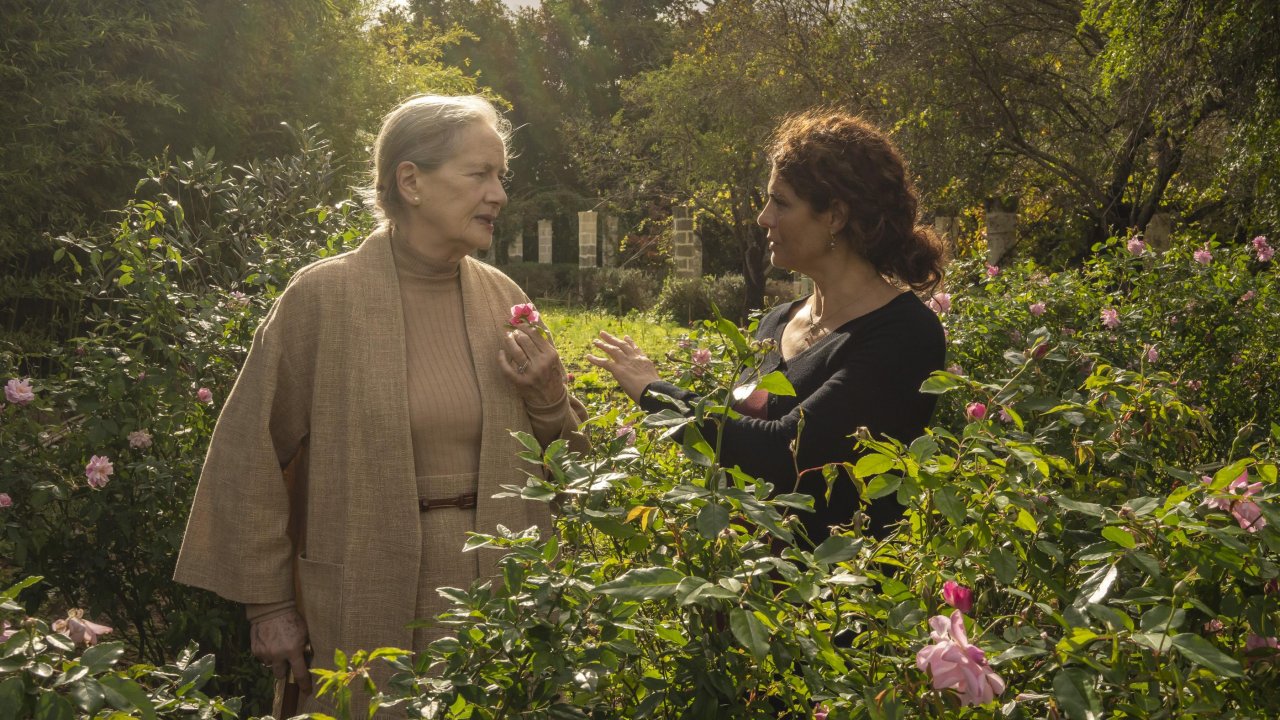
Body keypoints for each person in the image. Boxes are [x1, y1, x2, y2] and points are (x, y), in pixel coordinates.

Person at [173, 95, 587, 715]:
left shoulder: (505, 299)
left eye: (502, 176)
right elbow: (247, 451)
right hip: (365, 589)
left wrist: (552, 401)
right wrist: (270, 607)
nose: (499, 194)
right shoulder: (323, 298)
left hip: (502, 590)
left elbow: (577, 463)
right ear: (411, 181)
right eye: (480, 174)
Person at [589, 109, 945, 547]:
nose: (763, 218)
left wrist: (656, 392)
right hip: (745, 591)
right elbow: (732, 450)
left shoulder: (904, 335)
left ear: (834, 215)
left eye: (780, 202)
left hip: (830, 599)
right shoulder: (778, 322)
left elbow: (782, 452)